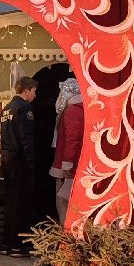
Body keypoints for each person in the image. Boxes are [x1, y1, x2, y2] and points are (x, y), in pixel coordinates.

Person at [0, 76, 38, 256]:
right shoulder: (24, 108)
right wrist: (30, 160)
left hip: (7, 158)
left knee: (10, 201)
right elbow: (26, 136)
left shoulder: (6, 108)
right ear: (26, 90)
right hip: (19, 160)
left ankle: (6, 243)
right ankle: (17, 244)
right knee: (21, 202)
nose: (35, 95)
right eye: (34, 91)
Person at [50, 77, 84, 219]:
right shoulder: (79, 110)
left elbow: (72, 139)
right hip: (72, 164)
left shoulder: (72, 111)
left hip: (68, 167)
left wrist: (67, 164)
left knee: (63, 204)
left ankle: (65, 231)